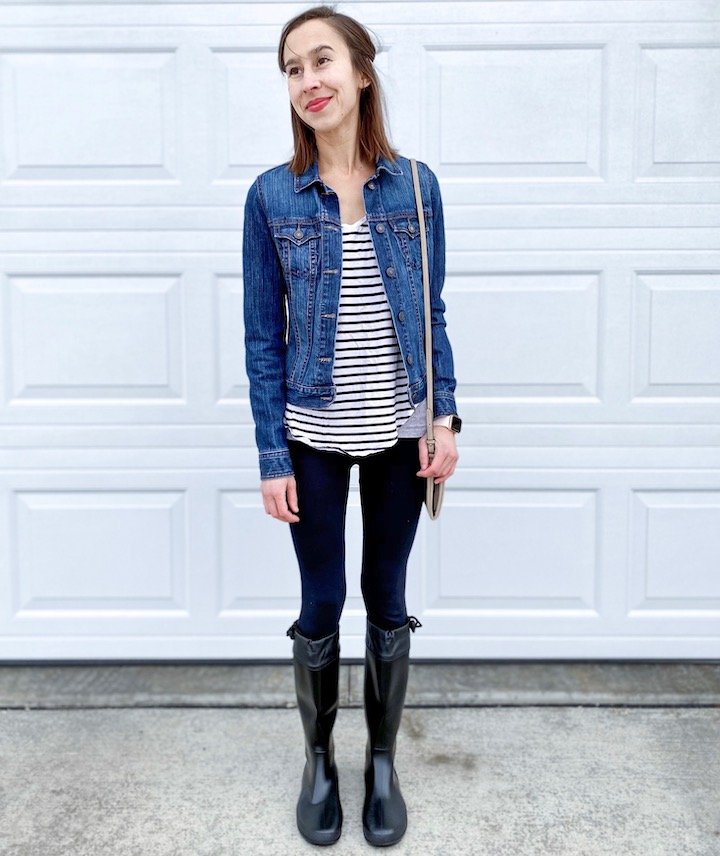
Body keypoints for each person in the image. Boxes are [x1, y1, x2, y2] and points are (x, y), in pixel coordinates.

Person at [242, 3, 462, 847]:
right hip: (313, 435)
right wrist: (271, 455)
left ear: (361, 72)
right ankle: (318, 761)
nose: (308, 82)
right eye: (293, 70)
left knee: (388, 597)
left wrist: (445, 416)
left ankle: (380, 763)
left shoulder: (416, 185)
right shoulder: (271, 195)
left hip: (402, 432)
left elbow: (430, 311)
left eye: (321, 61)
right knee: (322, 600)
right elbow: (264, 337)